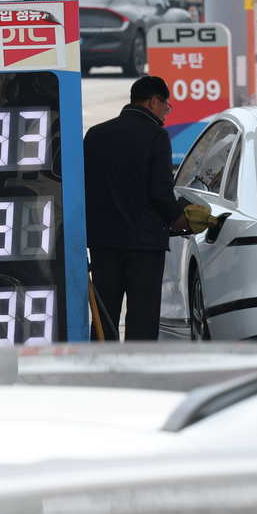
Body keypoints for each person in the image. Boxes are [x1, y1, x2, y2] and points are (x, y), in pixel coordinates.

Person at [83, 75, 189, 341]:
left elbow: (82, 185)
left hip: (103, 243)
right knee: (142, 316)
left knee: (104, 314)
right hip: (144, 246)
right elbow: (161, 192)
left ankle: (100, 361)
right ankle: (137, 362)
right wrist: (177, 217)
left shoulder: (95, 134)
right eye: (166, 106)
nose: (165, 113)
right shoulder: (157, 136)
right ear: (154, 101)